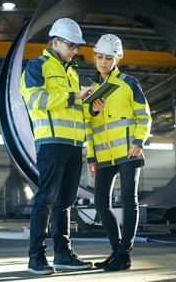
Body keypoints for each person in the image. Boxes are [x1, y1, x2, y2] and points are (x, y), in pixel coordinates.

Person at [19, 18, 105, 275]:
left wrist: (92, 108)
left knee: (66, 202)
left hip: (73, 146)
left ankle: (63, 254)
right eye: (70, 45)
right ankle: (36, 257)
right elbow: (36, 99)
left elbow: (76, 112)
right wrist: (75, 95)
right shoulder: (37, 66)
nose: (74, 50)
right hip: (51, 143)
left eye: (77, 47)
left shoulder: (73, 74)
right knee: (46, 199)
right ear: (55, 41)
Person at [85, 34, 152, 271]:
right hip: (103, 156)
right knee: (101, 203)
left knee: (128, 202)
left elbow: (144, 116)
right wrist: (91, 156)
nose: (103, 62)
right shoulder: (90, 89)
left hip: (128, 152)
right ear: (95, 57)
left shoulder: (129, 83)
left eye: (109, 58)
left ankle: (124, 254)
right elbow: (89, 126)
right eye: (100, 57)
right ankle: (116, 251)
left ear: (118, 58)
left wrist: (139, 141)